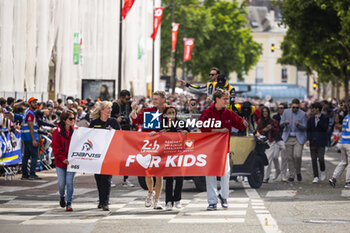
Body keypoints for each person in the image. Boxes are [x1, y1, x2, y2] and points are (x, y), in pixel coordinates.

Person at [198, 89, 248, 210]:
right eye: (225, 99)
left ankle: (224, 196)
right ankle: (212, 201)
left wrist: (244, 123)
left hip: (224, 148)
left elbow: (239, 125)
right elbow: (201, 126)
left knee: (226, 173)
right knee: (210, 175)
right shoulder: (207, 112)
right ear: (217, 99)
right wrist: (219, 130)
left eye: (227, 98)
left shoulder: (229, 113)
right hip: (209, 149)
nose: (227, 101)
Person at [130, 90, 166, 210]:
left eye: (156, 99)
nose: (154, 101)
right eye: (153, 98)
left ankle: (157, 200)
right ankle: (150, 193)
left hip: (162, 145)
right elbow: (136, 120)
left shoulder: (168, 111)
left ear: (163, 100)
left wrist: (162, 132)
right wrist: (134, 110)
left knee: (159, 174)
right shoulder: (148, 111)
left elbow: (174, 126)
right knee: (148, 171)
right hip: (148, 145)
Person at [89, 101, 120, 211]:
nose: (110, 110)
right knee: (99, 178)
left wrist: (114, 132)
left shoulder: (114, 122)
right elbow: (88, 137)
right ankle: (101, 200)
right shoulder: (94, 122)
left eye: (110, 108)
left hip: (109, 155)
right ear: (101, 110)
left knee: (106, 179)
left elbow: (120, 136)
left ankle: (105, 201)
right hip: (97, 155)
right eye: (107, 108)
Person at [159, 106, 188, 211]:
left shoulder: (181, 123)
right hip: (167, 154)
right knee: (169, 179)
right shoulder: (162, 124)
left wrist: (185, 132)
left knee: (180, 178)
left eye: (173, 112)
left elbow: (189, 134)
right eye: (169, 112)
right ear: (165, 114)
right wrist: (159, 133)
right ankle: (168, 202)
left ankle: (177, 200)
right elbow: (156, 136)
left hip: (180, 153)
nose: (171, 114)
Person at [52, 110, 76, 211]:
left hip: (71, 162)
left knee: (70, 182)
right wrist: (63, 159)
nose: (73, 120)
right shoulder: (57, 132)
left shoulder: (75, 131)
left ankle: (69, 203)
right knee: (61, 183)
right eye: (70, 119)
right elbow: (56, 147)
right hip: (60, 162)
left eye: (74, 118)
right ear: (64, 120)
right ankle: (62, 196)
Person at [111, 90, 135, 187]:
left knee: (126, 156)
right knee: (113, 156)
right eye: (126, 98)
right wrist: (116, 120)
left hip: (126, 130)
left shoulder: (128, 104)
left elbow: (130, 115)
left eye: (129, 98)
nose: (128, 100)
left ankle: (126, 179)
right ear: (121, 97)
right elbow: (109, 118)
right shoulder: (115, 105)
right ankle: (110, 179)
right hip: (117, 132)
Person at [280, 98, 307, 182]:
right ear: (291, 106)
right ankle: (292, 175)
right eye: (293, 107)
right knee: (289, 157)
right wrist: (285, 123)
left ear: (299, 107)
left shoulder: (303, 114)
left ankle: (298, 171)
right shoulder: (286, 112)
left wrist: (299, 125)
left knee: (297, 155)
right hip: (288, 137)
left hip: (298, 138)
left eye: (297, 107)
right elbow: (280, 124)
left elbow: (305, 127)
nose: (295, 109)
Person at [306, 102, 329, 183]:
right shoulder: (311, 118)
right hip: (312, 141)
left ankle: (323, 170)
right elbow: (308, 130)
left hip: (321, 141)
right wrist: (308, 139)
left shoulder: (325, 117)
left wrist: (318, 121)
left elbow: (325, 128)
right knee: (313, 159)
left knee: (321, 158)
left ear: (318, 109)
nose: (312, 110)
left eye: (314, 108)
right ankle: (315, 176)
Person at [329, 103, 350, 188]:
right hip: (349, 143)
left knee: (344, 162)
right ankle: (348, 182)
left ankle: (333, 178)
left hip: (342, 142)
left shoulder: (346, 118)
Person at [257, 107, 280, 183]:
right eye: (263, 112)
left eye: (266, 111)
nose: (265, 113)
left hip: (271, 141)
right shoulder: (260, 121)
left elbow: (278, 130)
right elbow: (257, 131)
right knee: (264, 158)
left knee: (268, 158)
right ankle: (265, 175)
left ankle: (266, 177)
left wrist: (271, 128)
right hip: (262, 142)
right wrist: (264, 130)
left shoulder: (273, 121)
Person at [21, 97, 41, 180]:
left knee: (26, 156)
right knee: (34, 156)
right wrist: (33, 139)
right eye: (33, 102)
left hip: (26, 137)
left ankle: (25, 174)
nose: (35, 104)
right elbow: (30, 127)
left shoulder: (28, 112)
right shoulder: (30, 113)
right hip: (30, 137)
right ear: (29, 104)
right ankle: (32, 174)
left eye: (36, 102)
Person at [272, 103, 288, 181]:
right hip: (277, 139)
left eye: (281, 108)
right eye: (279, 108)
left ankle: (283, 174)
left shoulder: (289, 117)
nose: (280, 109)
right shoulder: (275, 117)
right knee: (275, 157)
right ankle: (277, 170)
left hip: (286, 139)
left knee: (284, 158)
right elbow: (275, 127)